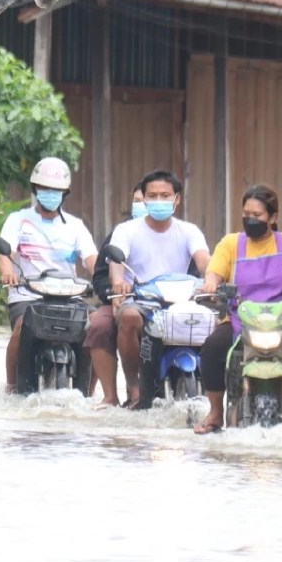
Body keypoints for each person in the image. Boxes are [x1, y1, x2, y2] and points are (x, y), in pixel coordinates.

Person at [194, 184, 282, 436]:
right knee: (213, 347)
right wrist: (211, 283)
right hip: (240, 320)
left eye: (258, 216)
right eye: (246, 214)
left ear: (273, 217)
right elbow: (215, 270)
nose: (251, 220)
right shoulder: (230, 244)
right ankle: (215, 412)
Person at [86, 170, 211, 407]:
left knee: (215, 325)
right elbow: (116, 263)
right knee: (124, 318)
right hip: (138, 300)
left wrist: (213, 278)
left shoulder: (189, 231)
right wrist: (118, 284)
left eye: (165, 195)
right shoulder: (126, 231)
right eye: (152, 195)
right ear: (143, 198)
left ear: (177, 199)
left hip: (180, 302)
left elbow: (203, 260)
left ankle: (218, 401)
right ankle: (133, 387)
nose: (159, 200)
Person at [0, 157, 98, 392]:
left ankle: (91, 393)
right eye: (45, 188)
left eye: (56, 190)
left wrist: (103, 279)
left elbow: (92, 258)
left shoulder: (75, 226)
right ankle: (12, 387)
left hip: (69, 297)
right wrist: (7, 273)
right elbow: (5, 254)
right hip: (27, 296)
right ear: (35, 189)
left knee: (97, 329)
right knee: (22, 329)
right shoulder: (17, 220)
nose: (50, 194)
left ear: (65, 193)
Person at [87, 184, 146, 403]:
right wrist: (113, 292)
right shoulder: (120, 234)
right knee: (98, 326)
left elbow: (193, 274)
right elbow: (100, 276)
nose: (142, 205)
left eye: (147, 200)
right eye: (137, 200)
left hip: (163, 304)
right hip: (120, 303)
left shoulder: (181, 234)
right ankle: (110, 396)